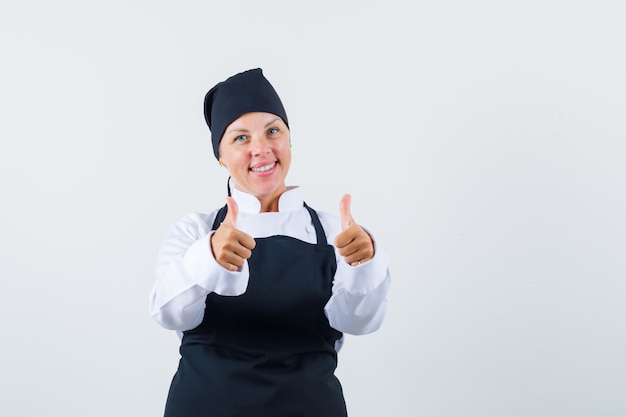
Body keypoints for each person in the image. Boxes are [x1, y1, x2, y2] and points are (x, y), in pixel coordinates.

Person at [149, 68, 391, 417]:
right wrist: (208, 258)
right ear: (220, 156)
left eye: (273, 131)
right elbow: (168, 314)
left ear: (290, 140)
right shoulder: (195, 232)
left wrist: (364, 264)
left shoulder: (337, 232)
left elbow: (360, 323)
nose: (261, 149)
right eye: (240, 138)